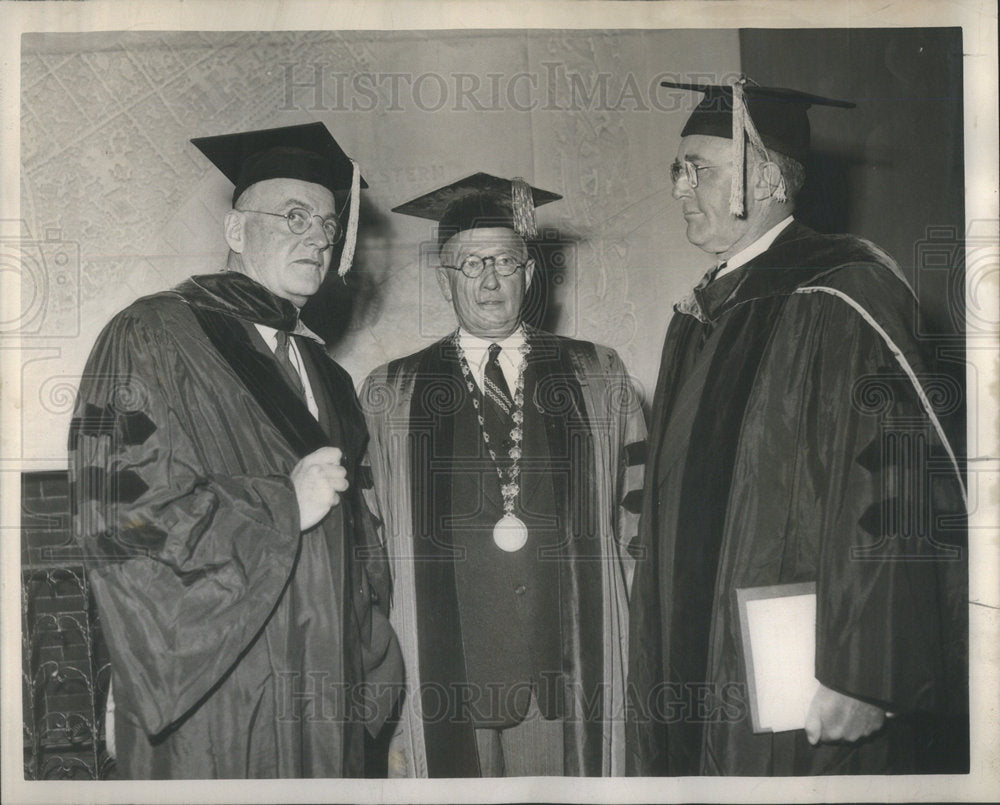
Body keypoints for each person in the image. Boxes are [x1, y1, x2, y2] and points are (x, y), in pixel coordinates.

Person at [626, 78, 968, 776]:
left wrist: (866, 672)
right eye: (678, 169)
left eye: (703, 170)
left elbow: (895, 479)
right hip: (703, 642)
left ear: (771, 180)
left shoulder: (844, 295)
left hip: (808, 663)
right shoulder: (697, 314)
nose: (681, 188)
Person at [68, 122, 402, 779]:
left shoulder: (328, 378)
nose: (318, 236)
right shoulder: (150, 334)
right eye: (294, 216)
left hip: (324, 693)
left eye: (329, 225)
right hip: (221, 699)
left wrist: (373, 677)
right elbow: (115, 515)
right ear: (235, 231)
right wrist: (280, 504)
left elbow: (360, 545)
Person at [360, 173, 646, 777]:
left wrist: (634, 661)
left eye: (506, 261)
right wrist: (386, 705)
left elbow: (638, 531)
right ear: (443, 279)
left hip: (570, 677)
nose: (490, 280)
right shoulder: (391, 393)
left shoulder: (599, 376)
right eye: (470, 265)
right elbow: (371, 557)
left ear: (531, 273)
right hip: (445, 680)